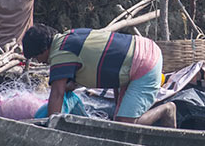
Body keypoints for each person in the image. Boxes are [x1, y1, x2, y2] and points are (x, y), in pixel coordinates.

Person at [21, 24, 177, 127]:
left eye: (36, 58)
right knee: (117, 123)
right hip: (137, 53)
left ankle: (167, 110)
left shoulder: (59, 54)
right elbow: (71, 84)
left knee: (124, 125)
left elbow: (57, 93)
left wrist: (50, 128)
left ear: (43, 50)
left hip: (144, 61)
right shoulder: (68, 38)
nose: (39, 62)